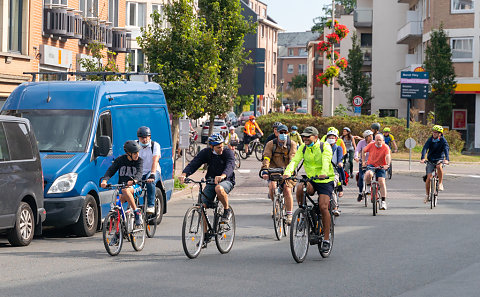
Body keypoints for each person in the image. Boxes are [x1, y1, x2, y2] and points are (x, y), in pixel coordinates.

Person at [283, 126, 335, 253]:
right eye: (304, 136)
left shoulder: (324, 146)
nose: (305, 138)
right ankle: (303, 213)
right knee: (301, 187)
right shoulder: (303, 147)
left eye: (308, 136)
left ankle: (326, 239)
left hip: (325, 179)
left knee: (323, 207)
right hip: (312, 179)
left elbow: (326, 159)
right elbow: (295, 160)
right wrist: (287, 172)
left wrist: (323, 173)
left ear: (315, 137)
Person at [179, 133, 235, 223]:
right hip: (211, 181)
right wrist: (184, 174)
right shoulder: (206, 152)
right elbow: (195, 163)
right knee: (201, 206)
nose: (221, 149)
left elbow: (230, 166)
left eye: (222, 146)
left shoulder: (227, 152)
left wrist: (223, 176)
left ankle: (226, 210)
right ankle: (205, 235)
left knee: (219, 188)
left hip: (226, 180)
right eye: (218, 147)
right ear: (212, 147)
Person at [101, 140, 144, 226]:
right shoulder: (120, 160)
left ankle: (136, 212)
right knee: (116, 208)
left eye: (138, 152)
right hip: (123, 187)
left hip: (136, 187)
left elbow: (139, 173)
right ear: (128, 153)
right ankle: (118, 234)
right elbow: (111, 170)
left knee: (126, 191)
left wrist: (134, 181)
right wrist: (105, 180)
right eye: (135, 153)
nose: (137, 155)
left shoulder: (139, 161)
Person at [261, 124, 297, 224]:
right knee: (272, 187)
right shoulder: (270, 144)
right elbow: (266, 157)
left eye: (285, 133)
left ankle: (289, 214)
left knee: (287, 189)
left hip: (287, 170)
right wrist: (265, 170)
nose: (283, 135)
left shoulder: (292, 144)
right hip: (274, 169)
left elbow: (292, 158)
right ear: (277, 134)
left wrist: (290, 171)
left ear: (287, 133)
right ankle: (276, 203)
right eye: (281, 133)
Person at [420, 125, 450, 203]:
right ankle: (427, 195)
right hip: (430, 160)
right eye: (433, 132)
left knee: (438, 166)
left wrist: (447, 159)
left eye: (436, 132)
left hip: (439, 159)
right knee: (428, 178)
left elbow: (446, 149)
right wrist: (423, 158)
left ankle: (440, 183)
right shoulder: (430, 140)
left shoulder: (443, 141)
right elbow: (425, 148)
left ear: (440, 133)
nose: (434, 133)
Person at [362, 134, 391, 210]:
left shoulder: (385, 147)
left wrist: (387, 165)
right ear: (374, 140)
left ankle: (383, 202)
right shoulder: (371, 145)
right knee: (368, 174)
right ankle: (368, 187)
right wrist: (363, 161)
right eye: (377, 140)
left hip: (381, 166)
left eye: (380, 140)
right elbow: (363, 151)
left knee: (381, 181)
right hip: (371, 164)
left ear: (383, 141)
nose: (378, 142)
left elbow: (388, 156)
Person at [137, 126, 161, 214]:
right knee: (132, 186)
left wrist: (152, 174)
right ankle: (136, 206)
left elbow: (155, 160)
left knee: (150, 182)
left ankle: (151, 205)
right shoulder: (136, 145)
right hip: (140, 171)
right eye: (142, 137)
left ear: (150, 136)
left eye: (147, 137)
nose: (145, 139)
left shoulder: (155, 145)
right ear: (138, 138)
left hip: (153, 170)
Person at [325, 129, 345, 216]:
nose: (331, 139)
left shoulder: (338, 148)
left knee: (331, 186)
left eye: (333, 138)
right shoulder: (323, 147)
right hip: (324, 172)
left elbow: (340, 157)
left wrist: (340, 163)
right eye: (329, 137)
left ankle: (335, 207)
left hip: (334, 172)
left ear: (336, 139)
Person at [354, 130, 374, 202]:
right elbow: (357, 150)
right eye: (369, 136)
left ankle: (374, 192)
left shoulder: (374, 143)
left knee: (375, 177)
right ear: (365, 137)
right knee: (361, 177)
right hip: (363, 162)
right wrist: (356, 157)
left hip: (372, 162)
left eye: (371, 135)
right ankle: (360, 193)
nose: (371, 137)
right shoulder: (361, 142)